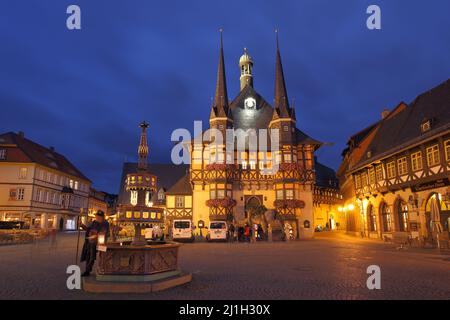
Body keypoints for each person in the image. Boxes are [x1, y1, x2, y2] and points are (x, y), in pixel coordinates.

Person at [80, 210, 109, 277]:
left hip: (100, 243)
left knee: (100, 257)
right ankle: (87, 270)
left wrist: (95, 236)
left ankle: (102, 269)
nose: (97, 218)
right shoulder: (94, 222)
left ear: (102, 217)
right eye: (97, 216)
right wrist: (82, 225)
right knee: (88, 256)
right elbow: (88, 229)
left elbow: (104, 232)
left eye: (99, 217)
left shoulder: (105, 223)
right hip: (90, 242)